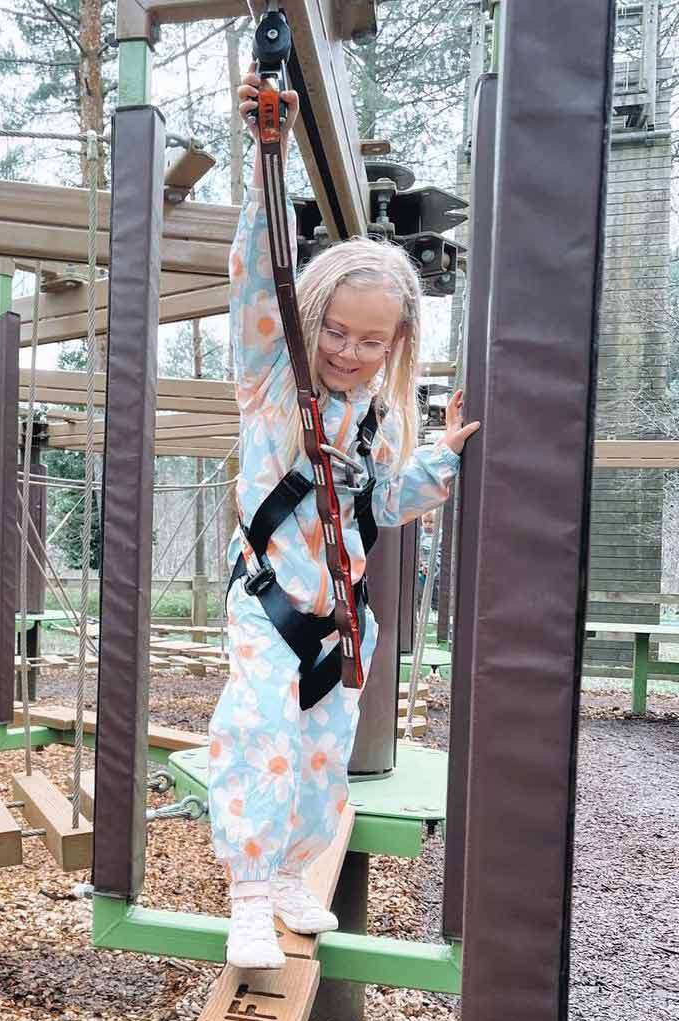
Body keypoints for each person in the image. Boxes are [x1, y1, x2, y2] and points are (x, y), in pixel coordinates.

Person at [210, 66, 479, 970]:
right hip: (266, 601)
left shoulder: (382, 415)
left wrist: (441, 455)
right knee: (261, 732)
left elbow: (391, 502)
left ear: (395, 344)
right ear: (312, 318)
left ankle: (291, 877)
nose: (350, 354)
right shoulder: (271, 383)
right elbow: (260, 279)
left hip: (340, 616)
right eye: (336, 333)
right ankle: (248, 895)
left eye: (372, 342)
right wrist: (265, 160)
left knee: (324, 752)